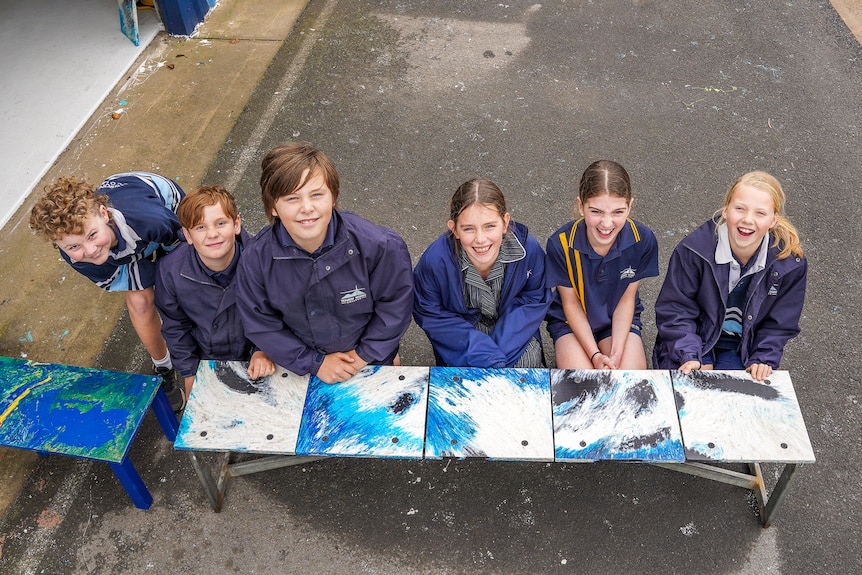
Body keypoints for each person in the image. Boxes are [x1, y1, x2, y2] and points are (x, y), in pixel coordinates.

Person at [236, 142, 414, 384]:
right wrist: (314, 363)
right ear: (273, 207)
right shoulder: (255, 260)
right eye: (292, 198)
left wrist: (365, 355)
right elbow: (261, 323)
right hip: (302, 364)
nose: (306, 208)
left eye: (317, 194)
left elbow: (395, 305)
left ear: (333, 196)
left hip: (367, 358)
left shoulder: (380, 246)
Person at [29, 172, 186, 410]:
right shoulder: (77, 257)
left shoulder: (150, 219)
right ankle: (163, 366)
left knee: (181, 283)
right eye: (73, 246)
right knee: (141, 300)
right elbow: (130, 279)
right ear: (58, 245)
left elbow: (180, 251)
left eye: (92, 235)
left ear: (104, 213)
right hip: (127, 241)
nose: (90, 250)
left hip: (164, 212)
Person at [652, 170, 807, 381]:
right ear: (726, 210)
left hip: (741, 347)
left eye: (760, 213)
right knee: (692, 396)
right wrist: (692, 354)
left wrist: (763, 357)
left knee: (734, 403)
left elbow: (780, 322)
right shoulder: (694, 251)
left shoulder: (789, 262)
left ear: (773, 220)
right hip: (692, 339)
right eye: (740, 209)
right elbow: (675, 309)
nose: (748, 220)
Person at [154, 186, 276, 405]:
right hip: (208, 360)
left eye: (221, 223)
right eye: (200, 227)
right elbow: (175, 327)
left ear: (236, 224)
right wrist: (190, 373)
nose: (212, 234)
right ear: (188, 236)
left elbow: (278, 311)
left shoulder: (263, 260)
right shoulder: (170, 272)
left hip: (259, 356)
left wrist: (263, 350)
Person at [413, 179, 551, 368]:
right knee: (463, 385)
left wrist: (497, 352)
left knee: (525, 372)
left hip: (514, 333)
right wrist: (480, 351)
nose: (480, 239)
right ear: (454, 229)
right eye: (468, 228)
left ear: (505, 222)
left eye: (490, 226)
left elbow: (534, 298)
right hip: (462, 339)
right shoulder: (435, 262)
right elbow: (430, 312)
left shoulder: (529, 250)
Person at [545, 160, 659, 370]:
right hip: (571, 322)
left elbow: (627, 299)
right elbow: (570, 304)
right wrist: (596, 355)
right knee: (585, 388)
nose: (607, 224)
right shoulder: (560, 244)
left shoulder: (643, 240)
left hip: (615, 319)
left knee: (628, 383)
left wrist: (616, 354)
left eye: (618, 212)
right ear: (580, 206)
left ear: (630, 206)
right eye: (596, 211)